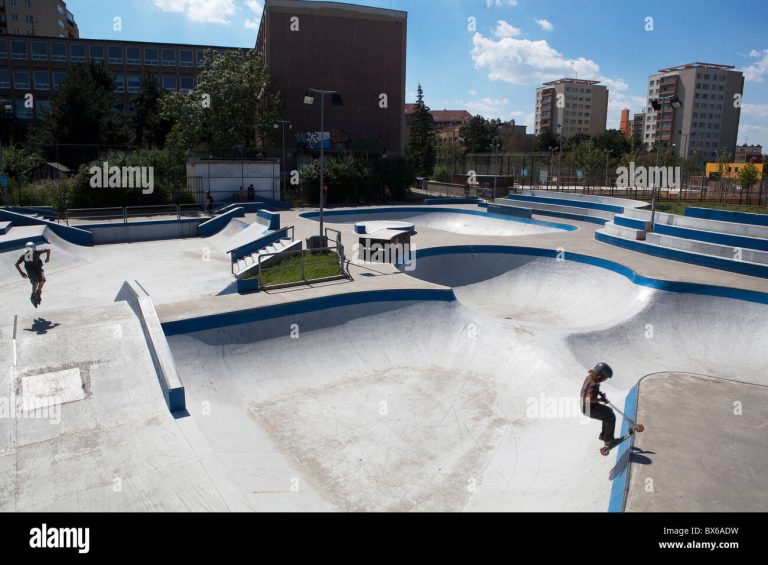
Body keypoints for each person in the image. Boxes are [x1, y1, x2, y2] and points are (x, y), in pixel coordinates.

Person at [580, 362, 616, 447]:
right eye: (605, 378)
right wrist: (601, 400)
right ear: (600, 376)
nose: (605, 380)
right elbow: (590, 399)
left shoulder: (589, 377)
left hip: (586, 406)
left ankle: (604, 436)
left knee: (608, 412)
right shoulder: (594, 384)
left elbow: (587, 389)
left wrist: (599, 394)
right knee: (610, 417)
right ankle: (609, 441)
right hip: (589, 408)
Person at [15, 242, 51, 308]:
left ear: (34, 249)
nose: (30, 252)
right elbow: (16, 264)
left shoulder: (37, 252)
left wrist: (47, 257)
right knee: (36, 281)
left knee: (42, 281)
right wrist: (21, 273)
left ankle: (38, 292)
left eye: (31, 250)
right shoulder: (24, 256)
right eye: (28, 250)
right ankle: (33, 295)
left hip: (38, 268)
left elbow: (48, 250)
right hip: (30, 271)